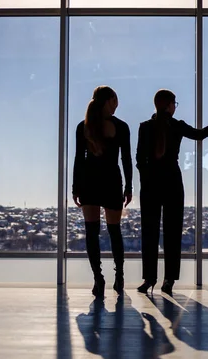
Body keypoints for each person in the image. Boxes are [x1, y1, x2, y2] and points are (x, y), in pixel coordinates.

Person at [136, 89, 208, 295]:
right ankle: (168, 280)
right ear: (169, 105)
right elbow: (199, 135)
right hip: (172, 181)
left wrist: (146, 178)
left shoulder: (145, 127)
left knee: (149, 232)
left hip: (150, 184)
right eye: (174, 104)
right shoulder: (176, 126)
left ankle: (149, 279)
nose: (174, 107)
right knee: (172, 232)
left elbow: (139, 159)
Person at [73, 86, 132, 297]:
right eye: (116, 99)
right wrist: (129, 186)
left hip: (89, 181)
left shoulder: (84, 126)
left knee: (92, 232)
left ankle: (98, 279)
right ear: (110, 100)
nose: (117, 103)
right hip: (112, 181)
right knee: (114, 231)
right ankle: (120, 277)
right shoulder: (121, 127)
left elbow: (79, 160)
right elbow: (126, 159)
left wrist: (75, 187)